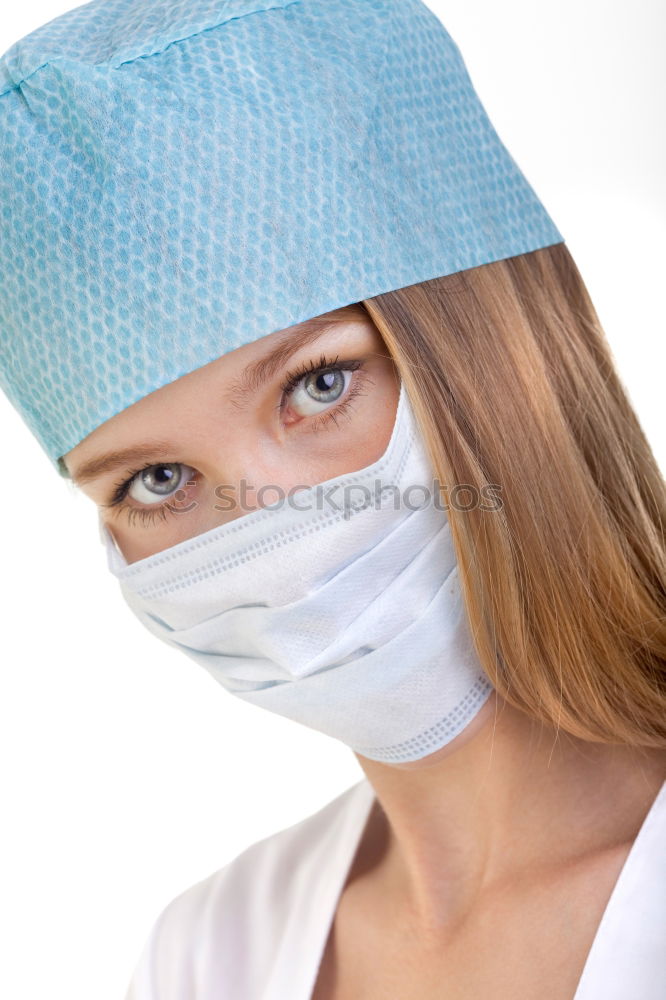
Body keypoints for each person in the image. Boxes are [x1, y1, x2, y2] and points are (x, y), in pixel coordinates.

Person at [1, 1, 664, 999]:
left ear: (492, 341)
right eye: (157, 480)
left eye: (319, 384)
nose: (272, 530)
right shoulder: (207, 957)